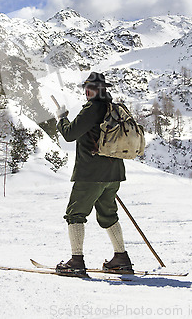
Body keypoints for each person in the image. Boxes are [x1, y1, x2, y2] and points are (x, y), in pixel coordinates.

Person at [55, 72, 133, 276]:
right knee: (108, 215)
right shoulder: (113, 108)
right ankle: (121, 258)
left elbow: (70, 134)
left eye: (88, 89)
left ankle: (76, 261)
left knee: (75, 214)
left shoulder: (92, 108)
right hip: (114, 173)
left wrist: (62, 119)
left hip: (91, 173)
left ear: (95, 89)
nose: (86, 92)